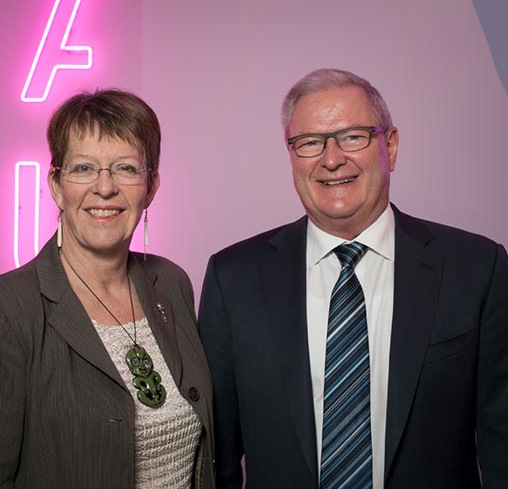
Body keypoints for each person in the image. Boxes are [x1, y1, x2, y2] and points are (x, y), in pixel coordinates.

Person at [198, 68, 508, 488]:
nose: (331, 158)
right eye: (310, 142)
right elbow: (219, 459)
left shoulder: (477, 267)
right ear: (291, 156)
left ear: (391, 146)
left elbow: (501, 440)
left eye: (352, 137)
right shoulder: (232, 279)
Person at [0, 89, 215, 488]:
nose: (104, 188)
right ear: (56, 184)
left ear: (151, 186)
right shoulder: (0, 312)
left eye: (125, 169)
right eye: (84, 168)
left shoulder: (172, 285)